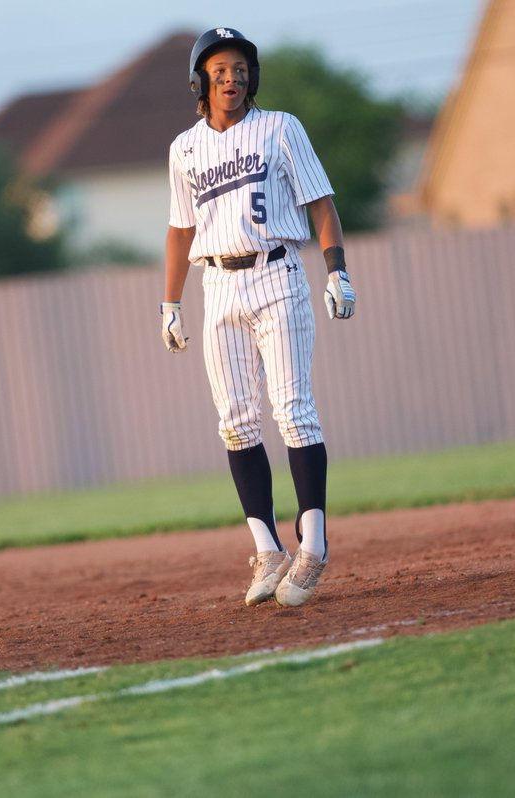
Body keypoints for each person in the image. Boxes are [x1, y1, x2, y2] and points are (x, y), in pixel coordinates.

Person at [160, 27, 356, 608]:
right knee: (236, 423)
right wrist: (170, 303)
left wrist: (337, 269)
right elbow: (179, 230)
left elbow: (320, 202)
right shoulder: (185, 149)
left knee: (294, 411)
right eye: (220, 70)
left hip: (277, 273)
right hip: (217, 284)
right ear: (201, 81)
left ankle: (314, 545)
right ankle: (268, 549)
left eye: (241, 68)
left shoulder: (280, 128)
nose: (232, 78)